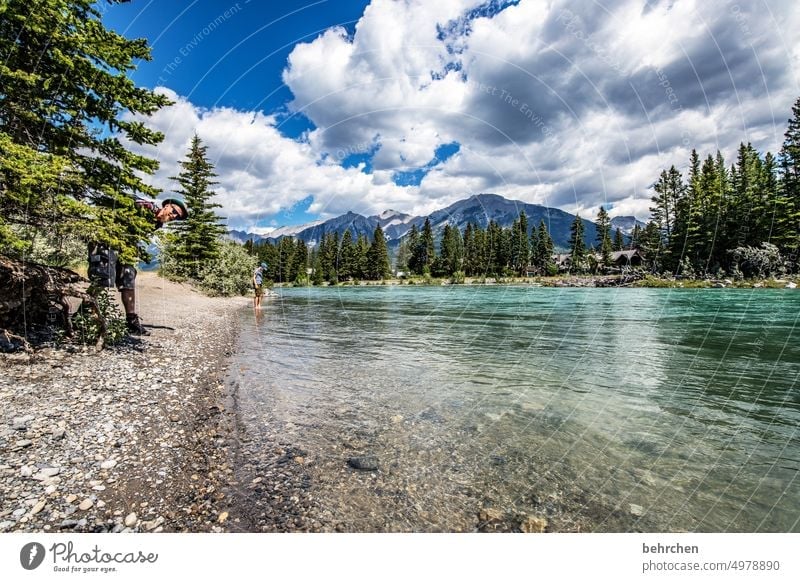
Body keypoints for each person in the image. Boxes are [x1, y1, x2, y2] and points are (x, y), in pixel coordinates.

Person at [88, 197, 189, 335]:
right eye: (174, 211)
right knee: (103, 277)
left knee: (128, 275)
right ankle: (84, 313)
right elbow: (114, 206)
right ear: (167, 205)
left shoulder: (157, 223)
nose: (174, 216)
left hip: (125, 247)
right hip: (105, 238)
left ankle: (131, 321)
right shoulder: (144, 207)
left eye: (177, 217)